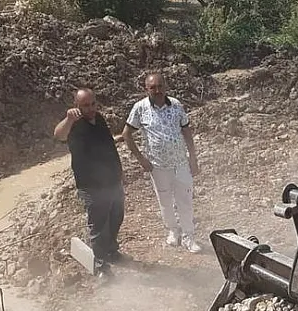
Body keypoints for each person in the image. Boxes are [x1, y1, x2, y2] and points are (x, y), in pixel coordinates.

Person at [122, 72, 202, 254]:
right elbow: (126, 134)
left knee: (185, 201)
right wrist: (141, 159)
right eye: (153, 87)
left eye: (160, 86)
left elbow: (186, 131)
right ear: (146, 89)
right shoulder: (140, 108)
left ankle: (189, 236)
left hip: (180, 163)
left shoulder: (176, 105)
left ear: (165, 87)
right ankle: (173, 231)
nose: (157, 90)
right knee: (165, 201)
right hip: (157, 166)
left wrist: (193, 157)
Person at [53, 87, 125, 272]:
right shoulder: (74, 124)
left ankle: (111, 250)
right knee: (99, 225)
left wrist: (119, 172)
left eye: (93, 103)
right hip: (91, 186)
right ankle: (101, 265)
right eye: (85, 105)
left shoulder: (99, 119)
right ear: (76, 106)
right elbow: (58, 135)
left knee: (116, 217)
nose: (90, 108)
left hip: (112, 181)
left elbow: (108, 146)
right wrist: (69, 119)